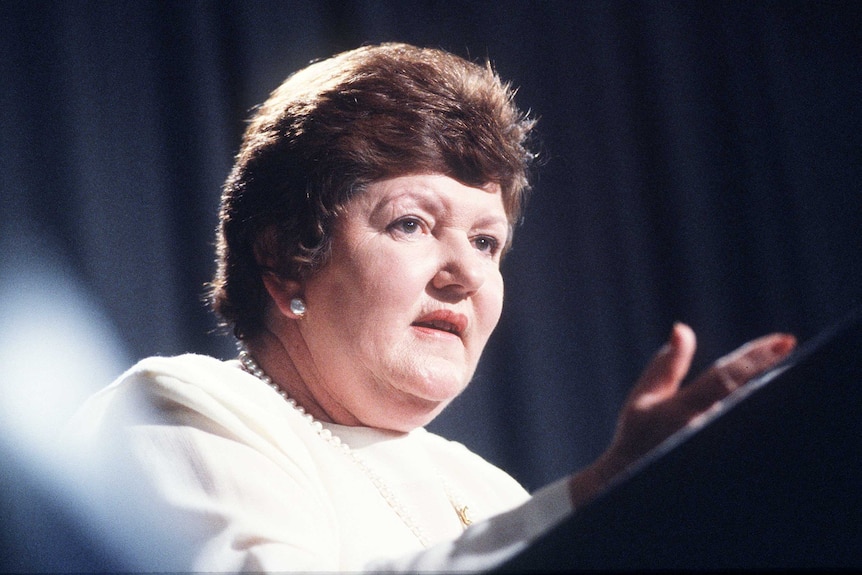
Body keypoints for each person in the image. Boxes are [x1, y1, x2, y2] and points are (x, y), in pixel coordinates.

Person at [68, 42, 796, 572]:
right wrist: (599, 494)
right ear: (286, 254)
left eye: (486, 241)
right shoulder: (179, 410)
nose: (464, 275)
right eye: (411, 223)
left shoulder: (482, 487)